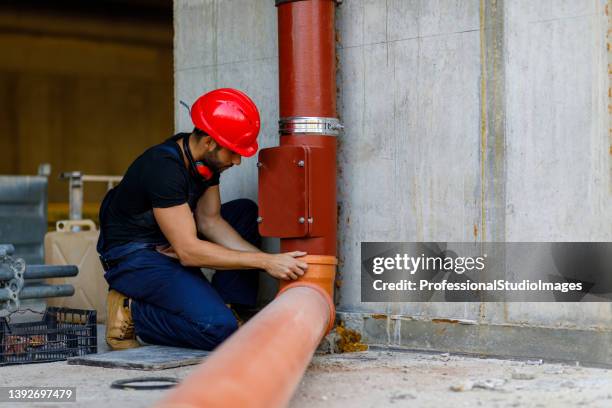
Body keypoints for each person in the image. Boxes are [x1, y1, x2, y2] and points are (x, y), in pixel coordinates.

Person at [97, 88, 308, 350]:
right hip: (134, 256)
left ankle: (226, 307)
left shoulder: (205, 163)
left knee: (244, 213)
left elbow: (210, 221)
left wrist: (270, 264)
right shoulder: (163, 168)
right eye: (232, 151)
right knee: (218, 330)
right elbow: (188, 252)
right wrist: (265, 261)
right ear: (209, 142)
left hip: (169, 238)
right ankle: (133, 311)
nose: (238, 160)